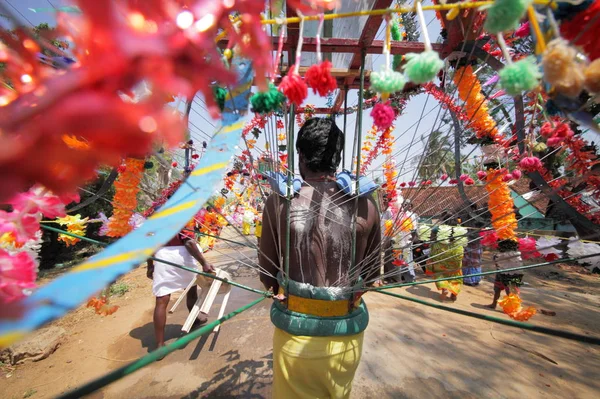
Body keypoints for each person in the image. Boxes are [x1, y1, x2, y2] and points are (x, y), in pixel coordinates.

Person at [258, 117, 381, 399]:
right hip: (345, 339)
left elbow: (266, 276)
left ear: (300, 155)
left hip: (294, 337)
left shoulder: (278, 202)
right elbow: (372, 275)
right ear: (337, 158)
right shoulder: (366, 204)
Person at [146, 228, 215, 350]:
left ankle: (159, 345)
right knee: (191, 292)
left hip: (162, 257)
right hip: (182, 256)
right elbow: (188, 242)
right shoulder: (180, 214)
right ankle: (194, 321)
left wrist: (150, 265)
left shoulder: (153, 218)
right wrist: (204, 262)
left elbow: (149, 245)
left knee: (161, 300)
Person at [427, 211, 465, 301]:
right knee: (455, 273)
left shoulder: (438, 228)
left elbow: (432, 236)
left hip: (440, 252)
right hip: (455, 252)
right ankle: (454, 293)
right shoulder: (460, 229)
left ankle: (444, 289)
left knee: (440, 272)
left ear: (443, 219)